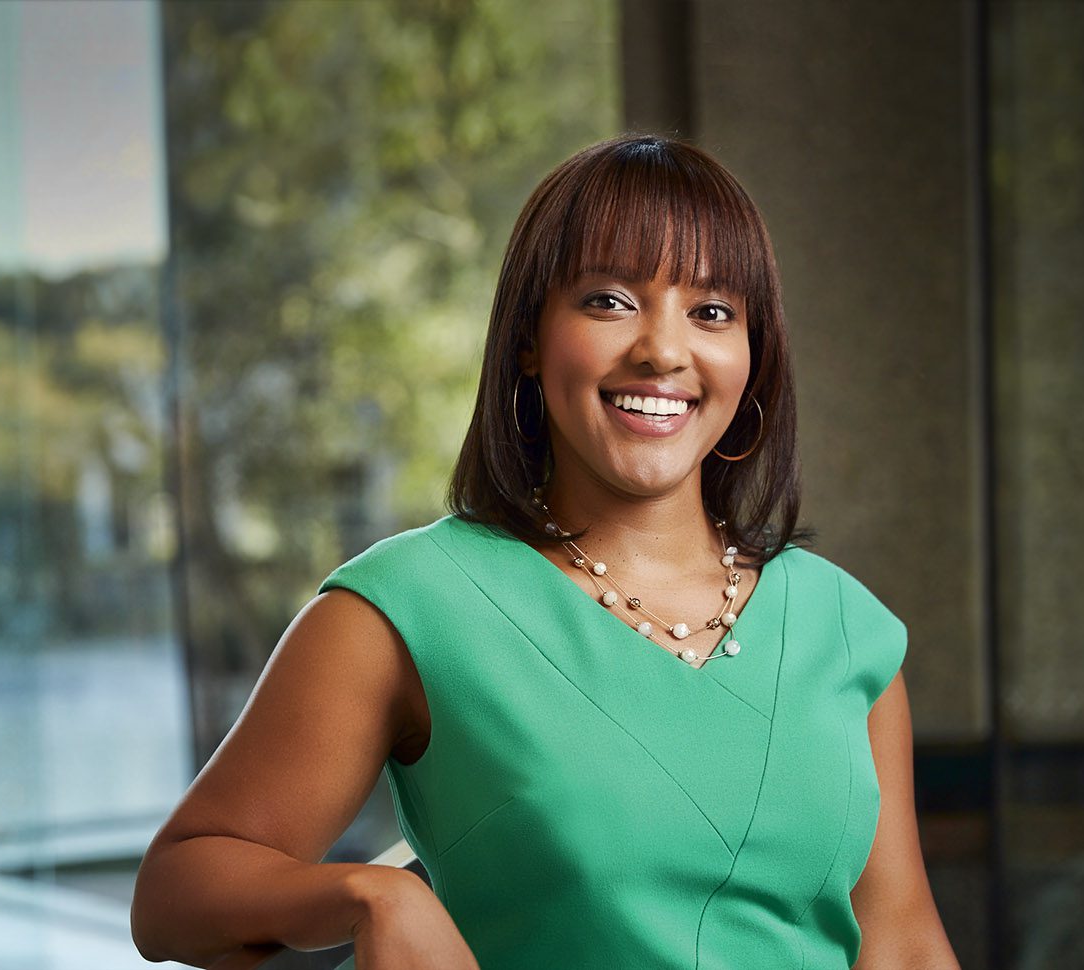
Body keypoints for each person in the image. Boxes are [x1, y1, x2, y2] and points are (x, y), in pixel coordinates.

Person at [131, 133, 960, 970]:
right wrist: (375, 895)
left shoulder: (844, 627)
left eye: (712, 312)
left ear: (754, 356)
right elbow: (173, 894)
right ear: (529, 338)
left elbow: (905, 946)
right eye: (609, 300)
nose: (664, 351)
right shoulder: (413, 606)